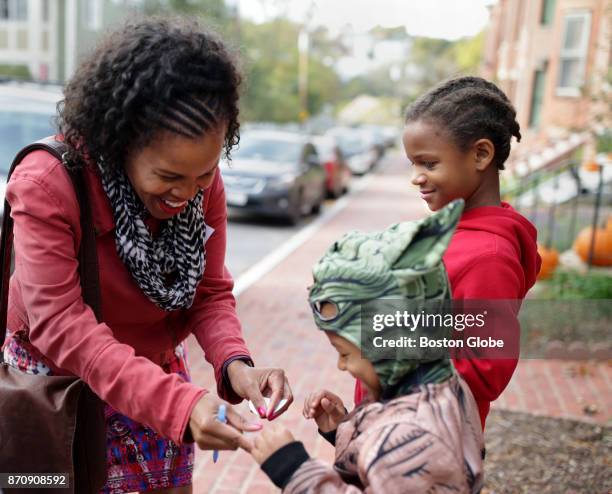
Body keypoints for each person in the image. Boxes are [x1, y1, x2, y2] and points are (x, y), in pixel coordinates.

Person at [2, 18, 292, 494]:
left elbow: (210, 292)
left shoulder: (200, 182)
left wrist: (237, 367)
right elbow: (60, 325)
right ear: (121, 142)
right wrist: (179, 406)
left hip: (154, 381)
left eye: (204, 175)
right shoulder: (46, 183)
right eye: (168, 176)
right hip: (56, 391)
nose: (188, 193)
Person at [249, 201, 484, 494]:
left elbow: (395, 458)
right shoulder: (440, 388)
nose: (342, 366)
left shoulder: (414, 438)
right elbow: (383, 471)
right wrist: (341, 429)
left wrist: (291, 469)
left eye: (345, 353)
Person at [355, 76, 541, 428]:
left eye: (429, 163)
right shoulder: (452, 233)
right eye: (413, 164)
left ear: (481, 154)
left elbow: (485, 372)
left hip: (426, 450)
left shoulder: (489, 258)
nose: (416, 177)